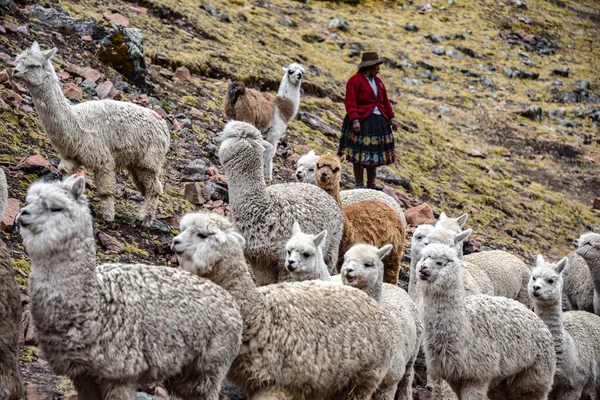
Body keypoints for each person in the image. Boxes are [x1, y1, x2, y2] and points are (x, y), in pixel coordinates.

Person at [338, 51, 399, 191]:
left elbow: (385, 102)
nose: (378, 69)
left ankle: (371, 184)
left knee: (374, 154)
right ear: (369, 66)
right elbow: (350, 102)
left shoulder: (379, 82)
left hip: (378, 122)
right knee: (359, 154)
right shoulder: (354, 81)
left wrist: (392, 118)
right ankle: (359, 184)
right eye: (376, 66)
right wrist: (355, 120)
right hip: (362, 121)